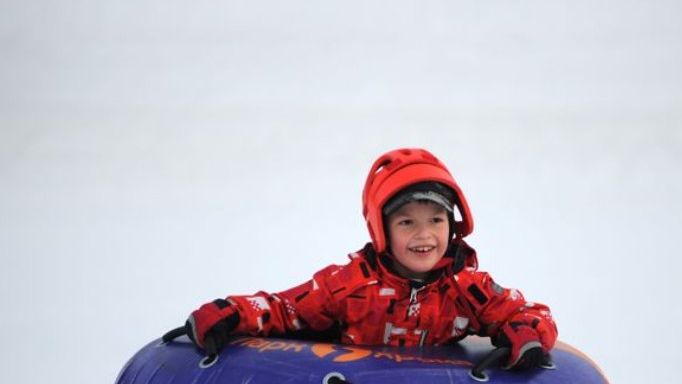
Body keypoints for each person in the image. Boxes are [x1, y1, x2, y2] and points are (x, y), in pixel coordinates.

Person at [184, 147, 557, 369]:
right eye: (407, 222)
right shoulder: (349, 285)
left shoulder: (467, 289)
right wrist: (231, 312)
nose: (424, 235)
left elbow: (529, 313)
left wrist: (525, 335)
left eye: (436, 220)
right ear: (381, 229)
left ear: (453, 223)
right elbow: (285, 309)